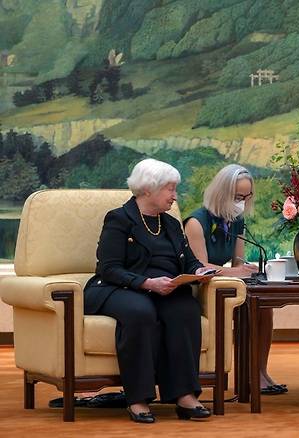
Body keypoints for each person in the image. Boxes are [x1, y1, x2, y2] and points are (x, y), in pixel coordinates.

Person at [84, 158, 214, 423]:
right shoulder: (119, 219)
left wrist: (199, 271)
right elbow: (108, 268)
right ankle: (137, 399)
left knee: (185, 309)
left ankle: (185, 395)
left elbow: (188, 260)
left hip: (165, 288)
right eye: (170, 189)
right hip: (120, 287)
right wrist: (146, 283)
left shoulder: (171, 223)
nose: (175, 196)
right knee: (141, 312)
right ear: (147, 189)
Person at [184, 164, 285, 395]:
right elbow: (200, 268)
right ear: (222, 194)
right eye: (238, 196)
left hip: (224, 284)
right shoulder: (196, 222)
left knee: (262, 306)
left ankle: (259, 371)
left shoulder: (236, 220)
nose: (242, 201)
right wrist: (235, 273)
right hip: (201, 290)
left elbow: (237, 262)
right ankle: (251, 374)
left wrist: (246, 268)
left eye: (247, 196)